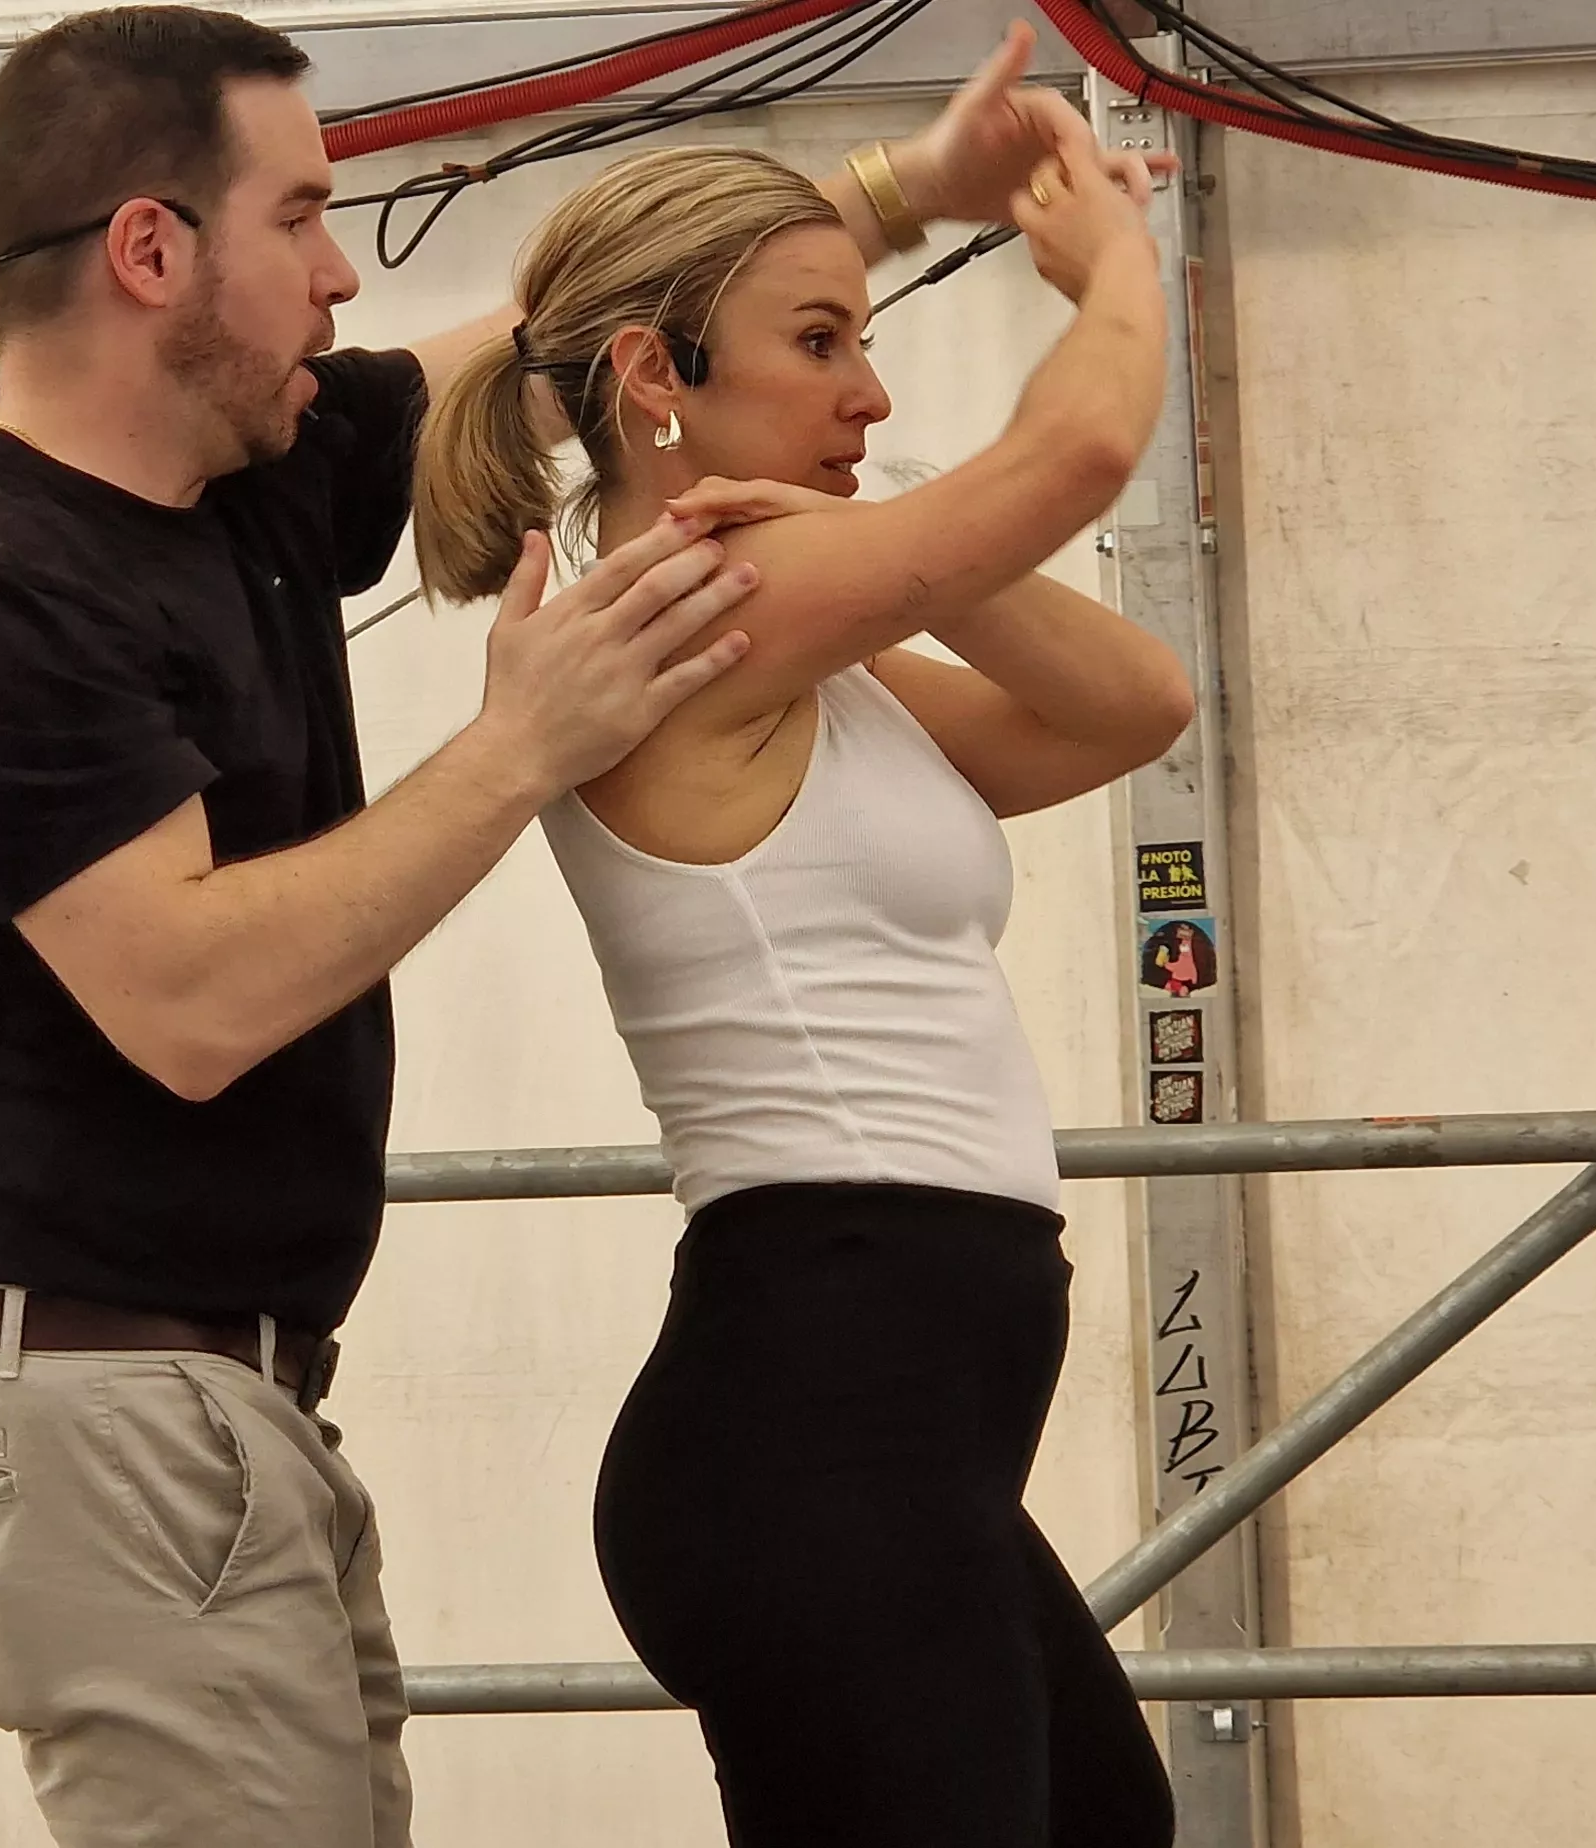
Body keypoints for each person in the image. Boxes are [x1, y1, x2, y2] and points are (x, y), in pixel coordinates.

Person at [0, 9, 775, 1844]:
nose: (344, 276)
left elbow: (535, 355)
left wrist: (892, 189)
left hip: (199, 1400)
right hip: (109, 1405)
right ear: (149, 248)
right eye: (304, 216)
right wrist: (520, 747)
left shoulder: (236, 476)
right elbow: (191, 999)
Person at [407, 26, 1195, 1848]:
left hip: (882, 1434)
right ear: (651, 375)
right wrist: (1113, 264)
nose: (871, 394)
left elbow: (1134, 706)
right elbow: (1084, 444)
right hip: (819, 1416)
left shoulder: (803, 638)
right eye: (822, 344)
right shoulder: (700, 614)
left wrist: (917, 561)